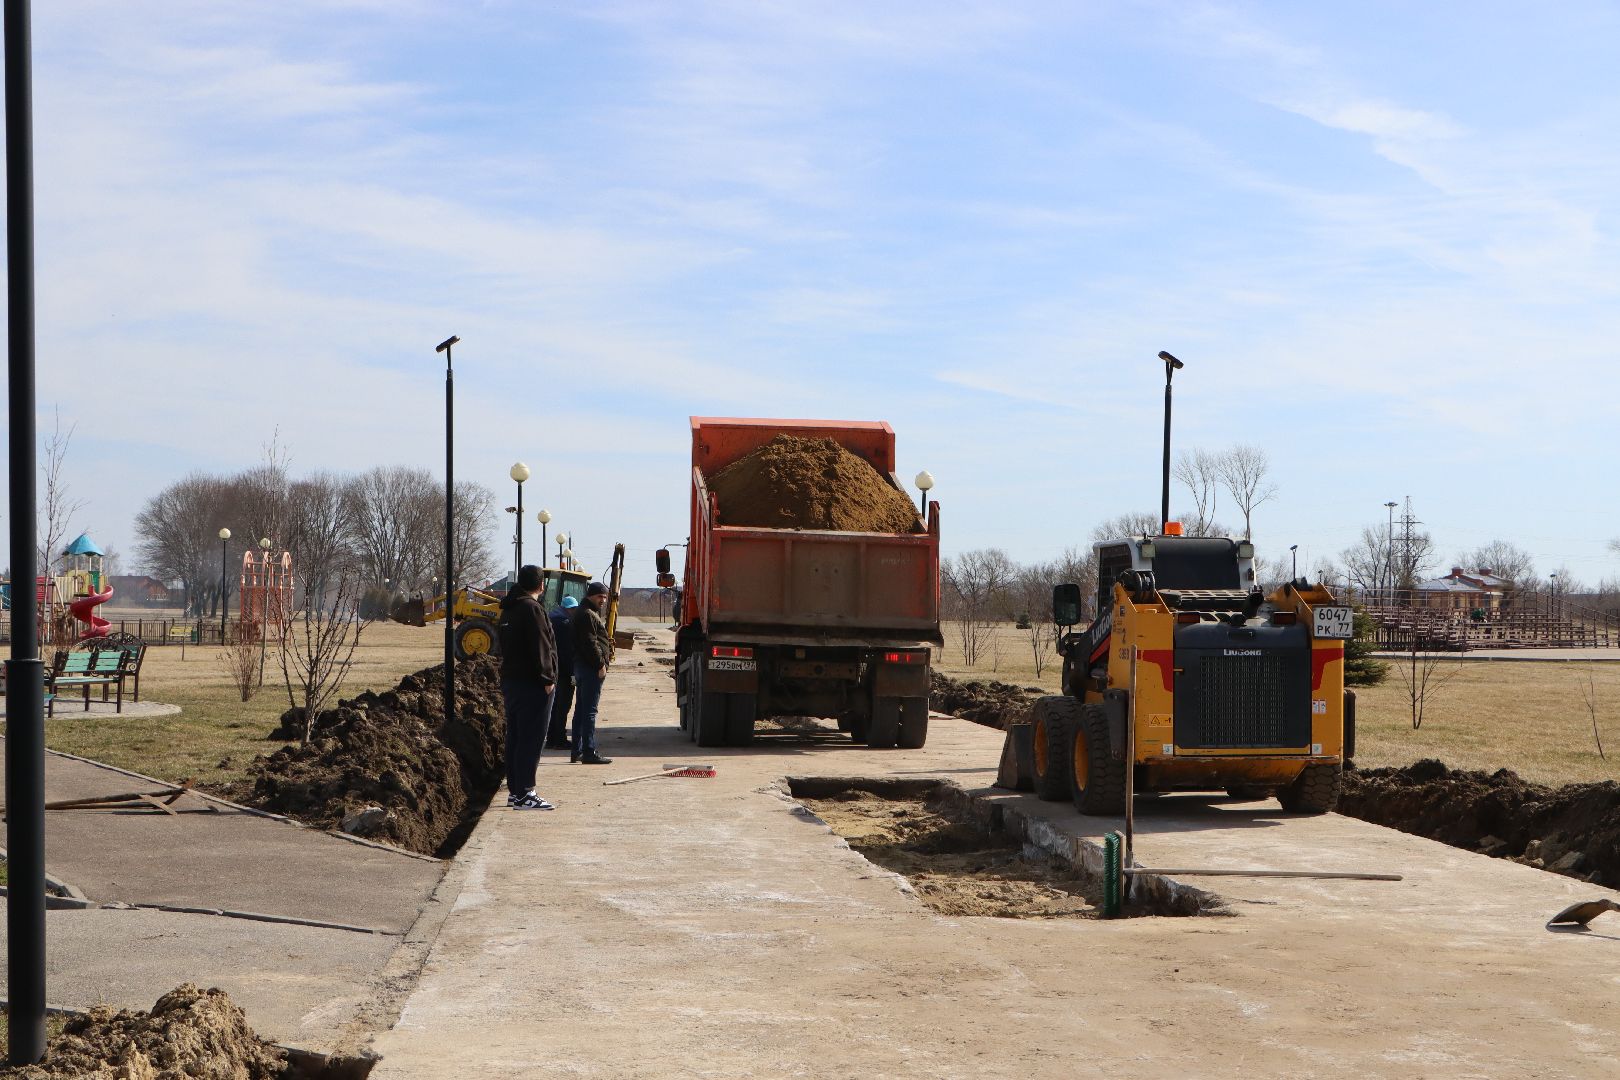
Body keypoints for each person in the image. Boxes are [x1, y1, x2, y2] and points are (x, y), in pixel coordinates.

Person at [496, 564, 558, 810]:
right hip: (533, 685)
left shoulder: (508, 609)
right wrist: (548, 678)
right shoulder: (532, 609)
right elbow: (541, 645)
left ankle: (515, 790)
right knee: (531, 738)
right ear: (541, 585)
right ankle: (525, 792)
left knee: (516, 737)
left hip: (512, 682)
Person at [570, 580, 614, 765]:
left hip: (582, 667)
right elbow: (590, 643)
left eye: (604, 596)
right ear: (590, 596)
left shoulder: (584, 612)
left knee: (581, 710)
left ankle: (577, 751)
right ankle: (589, 751)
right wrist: (600, 665)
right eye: (599, 596)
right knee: (589, 711)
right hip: (589, 669)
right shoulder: (587, 614)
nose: (603, 600)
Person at [544, 596, 578, 750]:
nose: (574, 612)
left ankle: (551, 738)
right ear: (569, 609)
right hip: (564, 671)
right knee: (563, 706)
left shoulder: (550, 619)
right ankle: (560, 739)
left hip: (552, 669)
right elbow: (567, 652)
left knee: (554, 704)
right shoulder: (565, 624)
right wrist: (572, 672)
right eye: (573, 609)